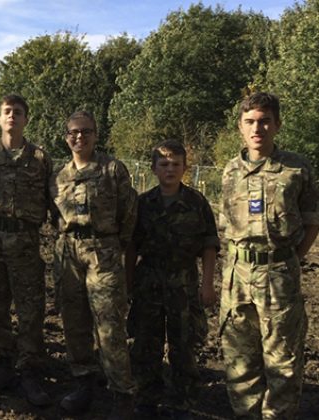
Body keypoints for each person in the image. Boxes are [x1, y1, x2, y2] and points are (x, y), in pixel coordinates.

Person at [219, 92, 319, 419]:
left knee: (284, 362)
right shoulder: (230, 171)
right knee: (239, 360)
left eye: (264, 121)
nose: (257, 128)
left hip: (279, 276)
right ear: (240, 128)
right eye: (250, 122)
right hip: (237, 278)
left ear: (277, 124)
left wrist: (289, 260)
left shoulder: (296, 168)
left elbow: (311, 221)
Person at [50, 111, 137, 418]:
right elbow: (54, 217)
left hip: (104, 251)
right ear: (66, 138)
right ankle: (83, 382)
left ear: (96, 135)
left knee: (110, 326)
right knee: (74, 323)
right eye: (74, 132)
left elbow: (129, 213)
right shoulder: (59, 176)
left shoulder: (113, 170)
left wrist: (114, 245)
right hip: (69, 253)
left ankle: (121, 394)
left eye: (86, 131)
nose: (80, 137)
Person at [126, 140, 219, 419]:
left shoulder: (196, 202)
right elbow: (131, 247)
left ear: (184, 168)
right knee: (145, 344)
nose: (170, 169)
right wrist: (128, 283)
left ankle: (182, 400)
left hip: (184, 282)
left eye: (176, 164)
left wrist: (207, 284)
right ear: (154, 168)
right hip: (148, 282)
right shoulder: (142, 204)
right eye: (164, 164)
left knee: (184, 345)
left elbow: (209, 245)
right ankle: (146, 398)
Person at [0, 95, 53, 406]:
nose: (11, 117)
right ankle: (4, 362)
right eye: (6, 112)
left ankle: (30, 371)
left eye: (17, 113)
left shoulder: (40, 159)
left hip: (25, 242)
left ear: (25, 119)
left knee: (30, 309)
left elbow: (49, 201)